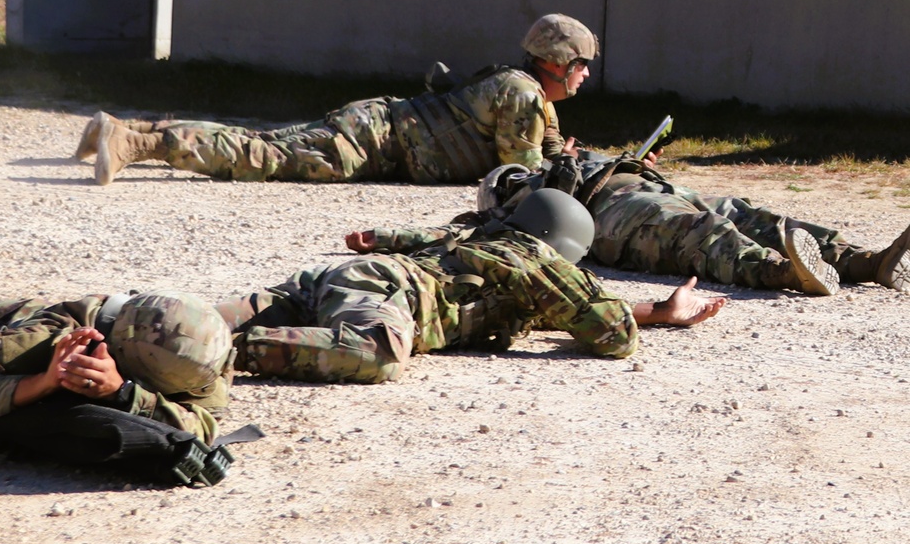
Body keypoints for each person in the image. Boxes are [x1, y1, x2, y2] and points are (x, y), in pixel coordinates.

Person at [215, 189, 727, 386]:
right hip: (386, 294)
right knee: (380, 354)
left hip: (336, 284)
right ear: (566, 249)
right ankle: (221, 353)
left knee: (208, 316)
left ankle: (147, 326)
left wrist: (661, 309)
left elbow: (552, 311)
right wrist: (633, 313)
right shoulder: (535, 260)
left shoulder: (488, 240)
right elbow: (612, 335)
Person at [73, 14, 599, 187]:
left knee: (260, 140)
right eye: (579, 64)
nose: (584, 74)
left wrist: (563, 152)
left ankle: (126, 128)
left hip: (378, 125)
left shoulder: (522, 89)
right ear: (554, 63)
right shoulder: (524, 95)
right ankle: (134, 145)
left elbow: (542, 146)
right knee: (263, 157)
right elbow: (520, 178)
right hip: (376, 142)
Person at [0, 277, 235, 485]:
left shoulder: (199, 350)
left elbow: (202, 425)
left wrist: (122, 393)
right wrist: (46, 380)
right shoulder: (53, 337)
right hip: (0, 330)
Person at [476, 159, 910, 297]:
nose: (520, 176)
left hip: (655, 189)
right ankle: (781, 272)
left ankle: (865, 262)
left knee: (755, 218)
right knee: (699, 233)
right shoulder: (509, 207)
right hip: (614, 215)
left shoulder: (562, 161)